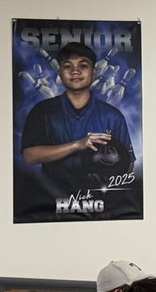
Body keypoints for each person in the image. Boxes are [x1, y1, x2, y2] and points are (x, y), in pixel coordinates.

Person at [20, 41, 135, 196]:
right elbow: (29, 157)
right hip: (49, 205)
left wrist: (107, 185)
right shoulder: (41, 112)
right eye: (67, 66)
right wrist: (76, 145)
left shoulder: (112, 115)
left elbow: (128, 163)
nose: (75, 71)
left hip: (100, 208)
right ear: (59, 73)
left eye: (83, 66)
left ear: (94, 72)